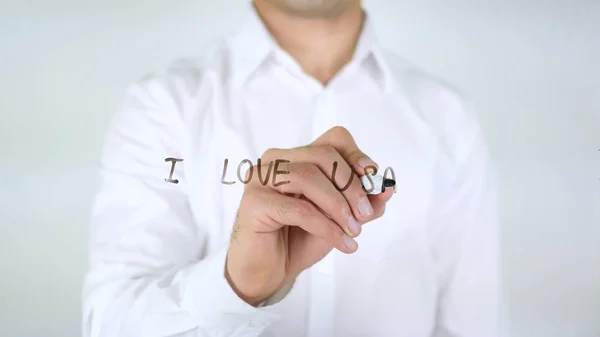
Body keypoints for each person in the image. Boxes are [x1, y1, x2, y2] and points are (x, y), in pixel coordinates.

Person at [82, 0, 507, 336]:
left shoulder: (448, 119)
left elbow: (474, 325)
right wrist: (237, 284)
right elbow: (109, 324)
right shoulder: (162, 108)